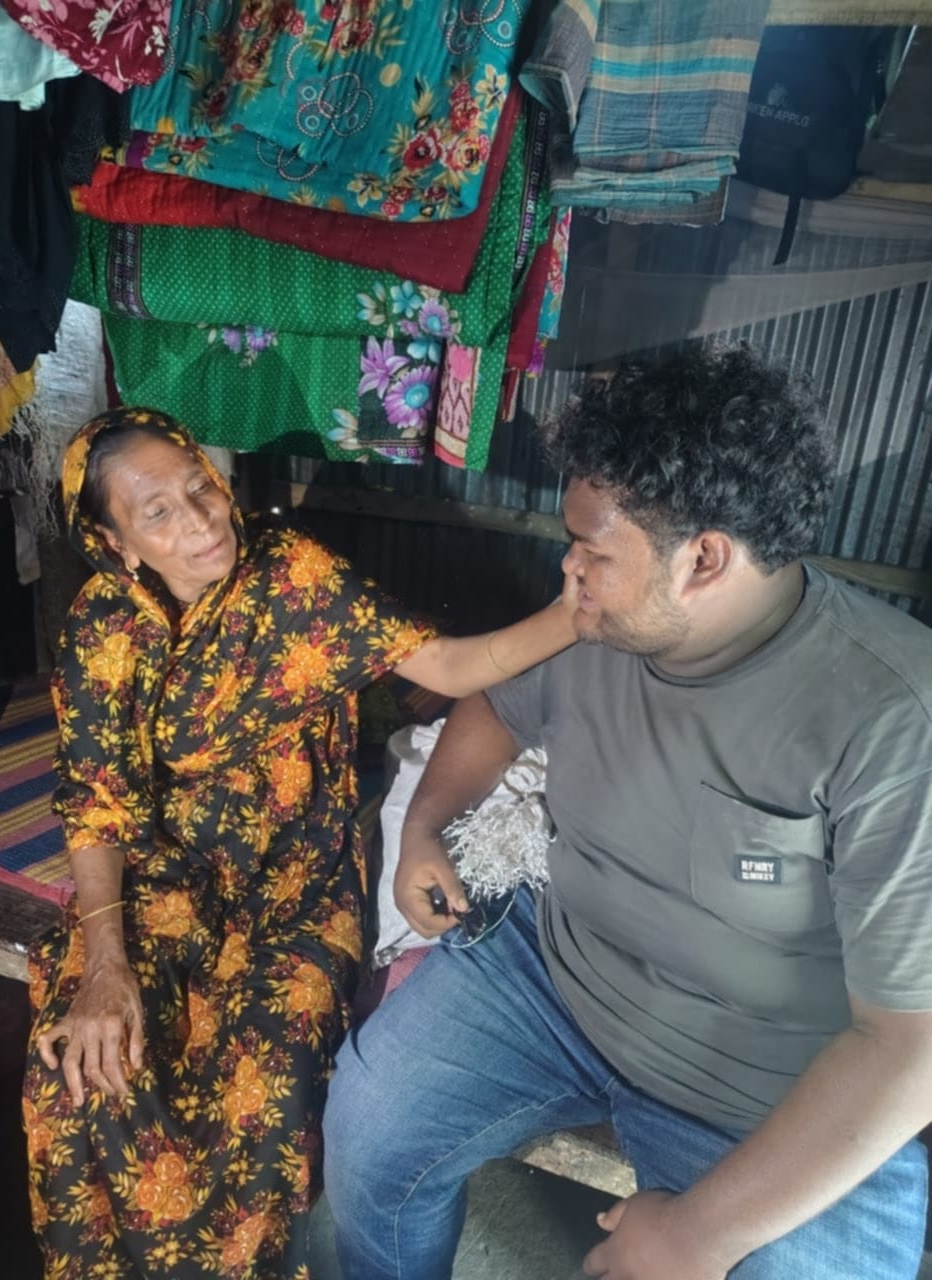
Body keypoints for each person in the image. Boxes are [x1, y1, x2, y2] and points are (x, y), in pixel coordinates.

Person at [322, 345, 932, 1280]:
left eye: (593, 550)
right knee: (369, 1124)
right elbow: (494, 703)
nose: (569, 568)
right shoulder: (598, 622)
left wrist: (700, 1233)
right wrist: (423, 825)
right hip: (555, 976)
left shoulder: (892, 719)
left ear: (704, 560)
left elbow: (909, 1043)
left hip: (762, 1082)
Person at [23, 407, 576, 1280]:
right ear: (119, 544)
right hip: (164, 877)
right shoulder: (104, 625)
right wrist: (104, 964)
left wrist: (581, 609)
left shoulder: (292, 577)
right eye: (158, 512)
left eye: (199, 486)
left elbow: (452, 666)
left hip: (297, 878)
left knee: (268, 1089)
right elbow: (96, 799)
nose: (200, 518)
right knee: (83, 1069)